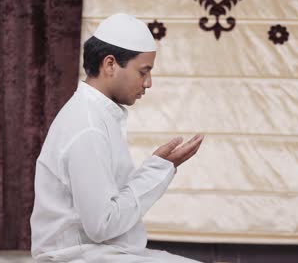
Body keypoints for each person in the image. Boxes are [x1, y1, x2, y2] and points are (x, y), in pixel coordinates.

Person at [30, 13, 204, 263]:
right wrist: (156, 171)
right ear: (110, 64)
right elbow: (103, 225)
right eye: (143, 72)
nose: (149, 83)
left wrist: (158, 167)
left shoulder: (97, 115)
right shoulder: (87, 126)